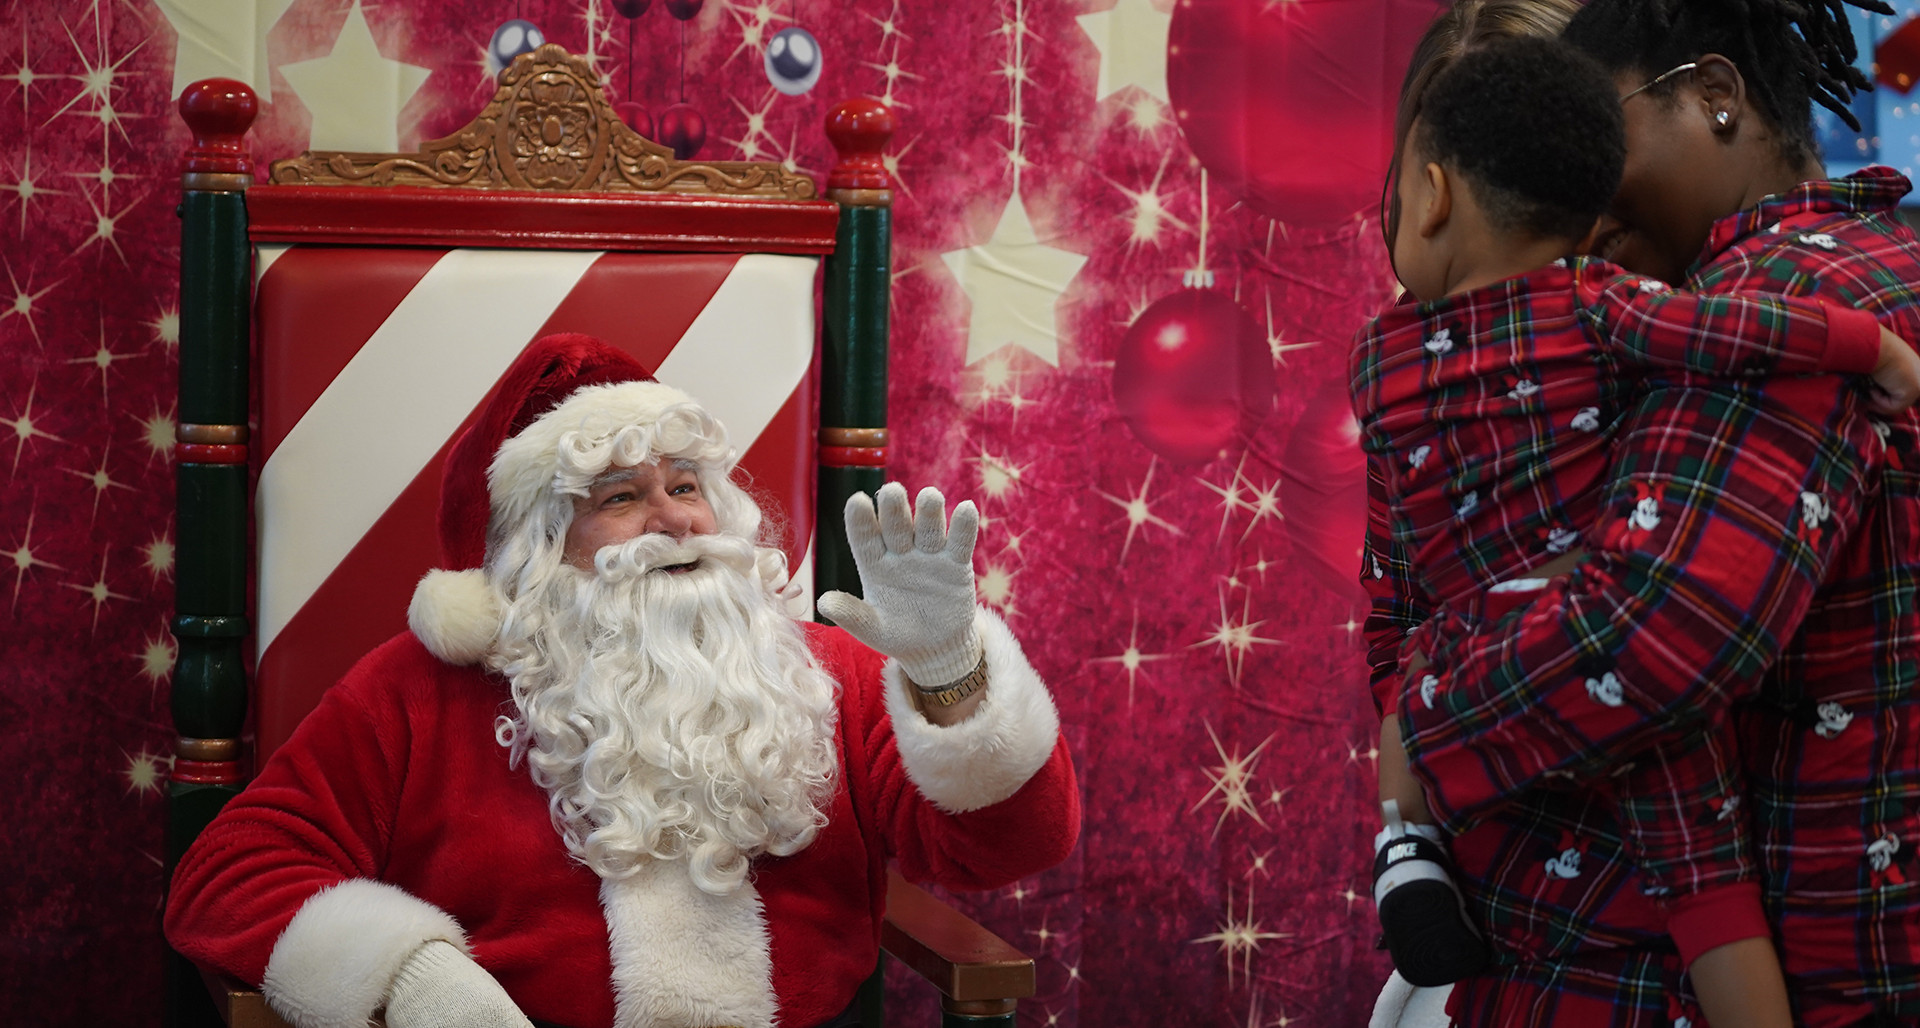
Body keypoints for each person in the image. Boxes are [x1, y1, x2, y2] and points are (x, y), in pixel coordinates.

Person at [164, 333, 1080, 1028]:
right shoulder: (418, 692)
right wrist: (414, 979)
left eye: (685, 486)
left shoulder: (819, 669)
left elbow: (1009, 847)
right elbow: (230, 875)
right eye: (618, 497)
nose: (674, 521)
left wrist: (949, 674)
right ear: (536, 548)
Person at [1355, 33, 1920, 1025]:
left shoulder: (1743, 295)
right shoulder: (1439, 350)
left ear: (1714, 93)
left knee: (1702, 874)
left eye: (1587, 129)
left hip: (1615, 962)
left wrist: (1422, 710)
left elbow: (1657, 633)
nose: (1575, 183)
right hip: (1549, 949)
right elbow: (1397, 596)